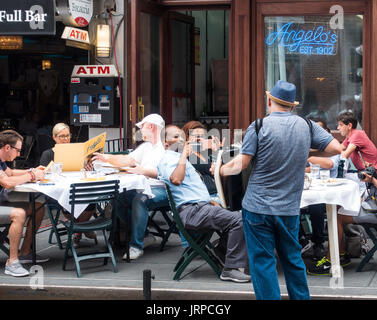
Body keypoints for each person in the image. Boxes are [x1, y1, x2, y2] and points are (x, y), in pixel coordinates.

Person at [215, 80, 343, 299]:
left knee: (263, 263)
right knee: (293, 260)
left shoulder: (258, 126)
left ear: (269, 101)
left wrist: (219, 170)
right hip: (288, 209)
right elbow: (336, 148)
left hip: (257, 207)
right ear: (292, 106)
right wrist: (307, 154)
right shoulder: (307, 125)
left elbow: (240, 165)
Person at [158, 125, 250, 283]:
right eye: (175, 137)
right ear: (166, 144)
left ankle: (221, 251)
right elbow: (176, 180)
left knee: (243, 216)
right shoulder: (168, 159)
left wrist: (210, 201)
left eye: (181, 136)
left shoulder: (181, 159)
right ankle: (230, 269)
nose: (181, 140)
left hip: (200, 208)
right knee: (241, 220)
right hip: (192, 212)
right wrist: (183, 157)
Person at [92, 114, 169, 260]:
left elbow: (165, 175)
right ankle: (144, 235)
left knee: (140, 200)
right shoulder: (146, 147)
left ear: (151, 127)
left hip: (163, 190)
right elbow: (128, 159)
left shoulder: (165, 148)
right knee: (116, 197)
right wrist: (107, 157)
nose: (140, 130)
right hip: (144, 187)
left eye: (142, 127)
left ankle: (136, 246)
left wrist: (142, 171)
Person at [0, 130, 49, 276]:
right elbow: (7, 182)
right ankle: (12, 263)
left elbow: (10, 173)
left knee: (38, 207)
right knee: (19, 213)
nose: (19, 154)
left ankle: (25, 251)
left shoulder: (1, 161)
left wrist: (31, 170)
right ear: (7, 148)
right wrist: (32, 175)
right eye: (18, 150)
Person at [39, 123, 96, 245]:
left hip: (76, 187)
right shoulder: (48, 154)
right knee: (69, 198)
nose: (66, 139)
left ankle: (78, 230)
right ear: (54, 137)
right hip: (57, 191)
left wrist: (88, 167)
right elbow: (42, 174)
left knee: (92, 197)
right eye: (62, 136)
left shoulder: (77, 152)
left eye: (67, 136)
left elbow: (83, 170)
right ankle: (84, 228)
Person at [301, 117, 341, 259]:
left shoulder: (333, 149)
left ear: (326, 132)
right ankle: (301, 241)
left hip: (326, 192)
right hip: (308, 188)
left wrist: (309, 159)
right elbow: (302, 169)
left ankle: (318, 243)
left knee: (316, 206)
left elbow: (329, 164)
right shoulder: (306, 147)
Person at [181, 121, 223, 205]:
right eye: (195, 136)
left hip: (213, 195)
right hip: (206, 199)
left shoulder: (202, 154)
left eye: (202, 136)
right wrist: (216, 151)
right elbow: (214, 171)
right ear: (187, 137)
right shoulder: (189, 155)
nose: (199, 138)